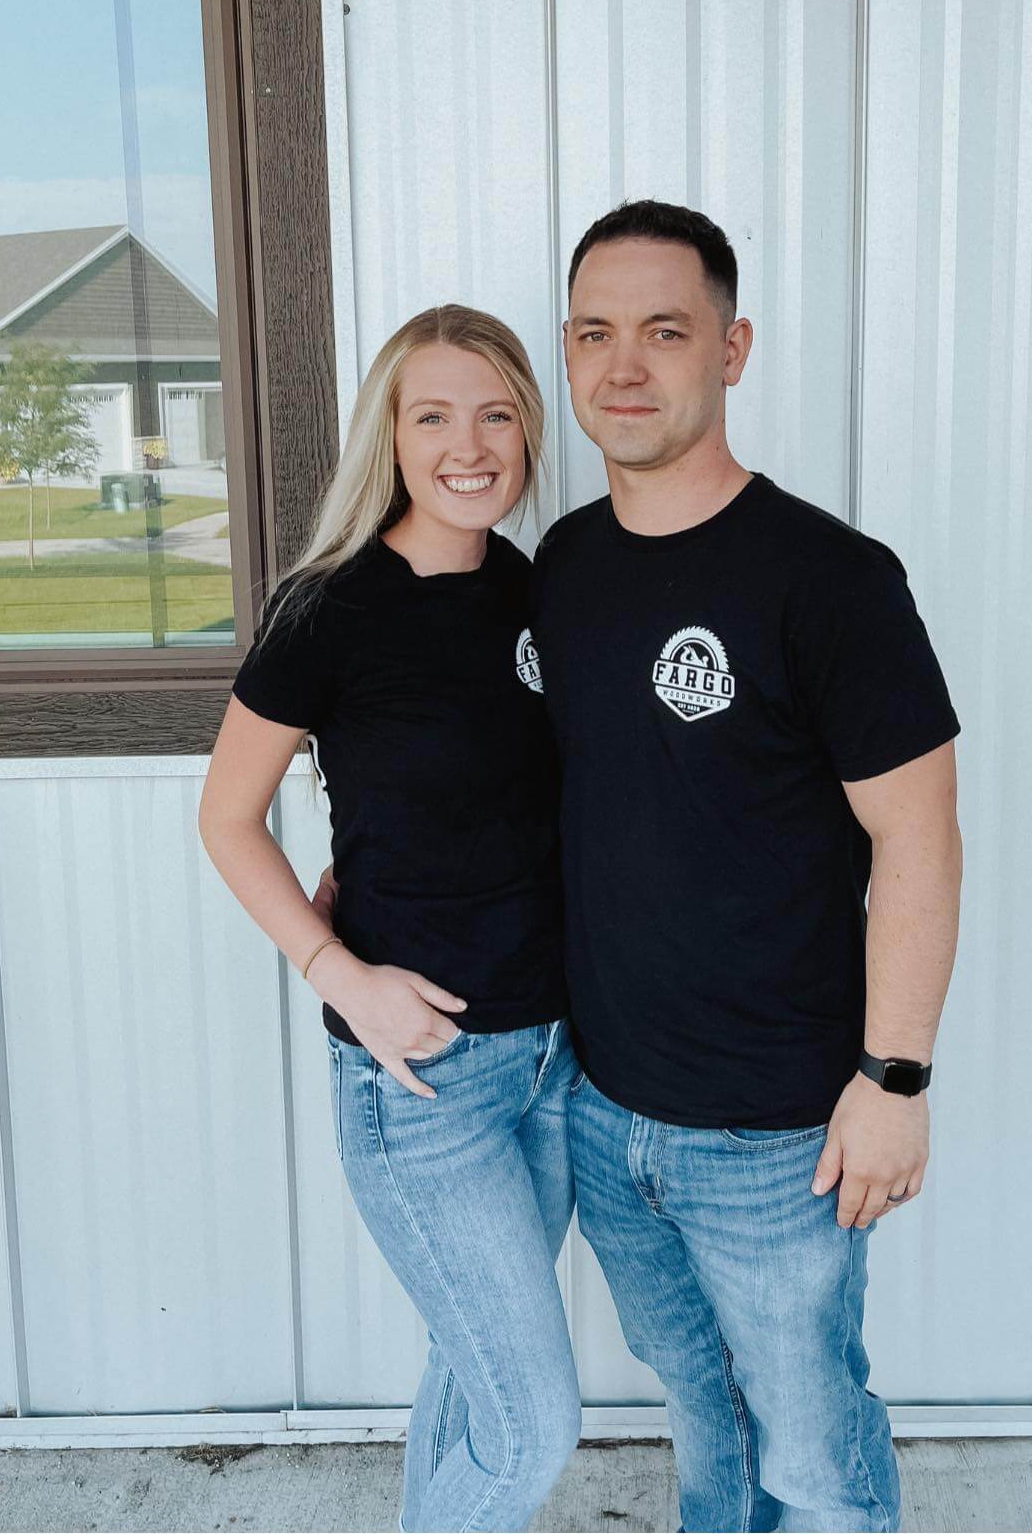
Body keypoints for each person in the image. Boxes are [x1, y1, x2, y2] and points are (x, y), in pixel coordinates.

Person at [525, 199, 964, 1533]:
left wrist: (894, 1078)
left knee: (815, 1444)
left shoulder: (829, 578)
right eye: (596, 333)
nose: (624, 366)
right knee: (702, 1408)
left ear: (734, 348)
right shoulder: (565, 564)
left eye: (666, 329)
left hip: (780, 1133)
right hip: (607, 1110)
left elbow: (921, 839)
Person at [198, 305, 581, 1534]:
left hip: (555, 1061)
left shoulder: (540, 593)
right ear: (393, 437)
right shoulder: (332, 609)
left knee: (473, 1380)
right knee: (535, 1419)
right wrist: (339, 972)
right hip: (421, 1079)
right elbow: (226, 817)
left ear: (526, 430)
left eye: (495, 414)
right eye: (433, 416)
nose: (468, 445)